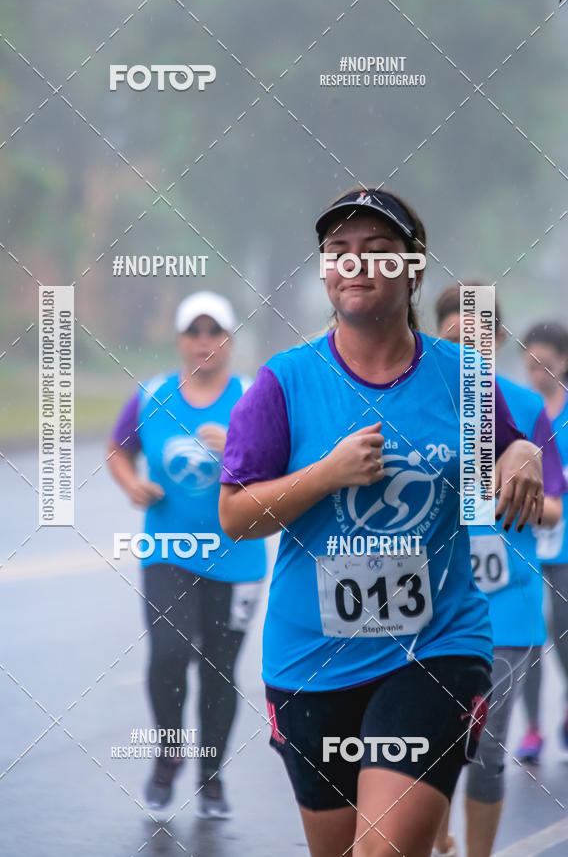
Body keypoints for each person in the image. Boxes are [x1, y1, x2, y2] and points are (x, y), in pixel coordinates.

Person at [218, 187, 544, 857]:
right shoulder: (281, 383)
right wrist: (327, 473)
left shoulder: (464, 377)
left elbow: (505, 442)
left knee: (383, 852)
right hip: (312, 658)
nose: (354, 264)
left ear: (413, 269)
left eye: (376, 251)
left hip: (436, 647)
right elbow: (236, 517)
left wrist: (524, 450)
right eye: (338, 252)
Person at [107, 291, 267, 819]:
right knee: (170, 656)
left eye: (214, 331)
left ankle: (211, 776)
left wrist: (239, 445)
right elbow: (118, 449)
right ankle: (169, 753)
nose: (204, 342)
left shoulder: (252, 396)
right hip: (167, 550)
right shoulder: (152, 394)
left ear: (229, 340)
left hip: (238, 554)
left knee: (219, 669)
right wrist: (132, 485)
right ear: (179, 340)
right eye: (193, 332)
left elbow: (284, 466)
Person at [432, 287, 564, 857]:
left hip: (504, 606)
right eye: (456, 338)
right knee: (429, 744)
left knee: (485, 748)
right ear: (433, 337)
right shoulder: (412, 403)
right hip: (427, 604)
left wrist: (511, 493)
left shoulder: (526, 408)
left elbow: (556, 504)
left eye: (480, 339)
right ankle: (429, 831)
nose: (469, 349)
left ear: (497, 343)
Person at [516, 322, 568, 763]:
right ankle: (532, 727)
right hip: (527, 535)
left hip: (565, 540)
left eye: (545, 364)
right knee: (530, 631)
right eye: (530, 364)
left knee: (563, 629)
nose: (536, 373)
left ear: (564, 362)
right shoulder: (520, 410)